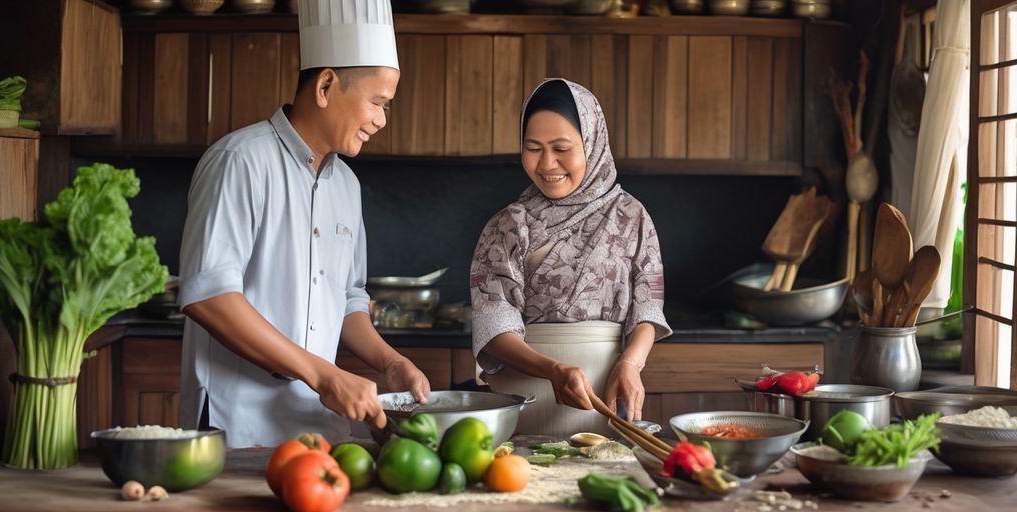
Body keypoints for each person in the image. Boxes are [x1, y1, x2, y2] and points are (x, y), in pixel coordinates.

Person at [177, 0, 429, 448]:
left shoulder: (346, 186)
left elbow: (349, 300)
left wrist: (389, 362)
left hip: (318, 432)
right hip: (236, 430)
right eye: (377, 102)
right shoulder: (239, 160)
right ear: (326, 84)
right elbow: (210, 296)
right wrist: (323, 373)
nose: (381, 120)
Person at [470, 79, 672, 437]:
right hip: (527, 392)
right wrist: (553, 370)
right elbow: (493, 325)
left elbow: (648, 306)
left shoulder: (631, 216)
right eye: (533, 148)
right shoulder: (508, 224)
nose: (547, 164)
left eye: (561, 148)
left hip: (607, 393)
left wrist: (630, 363)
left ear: (592, 143)